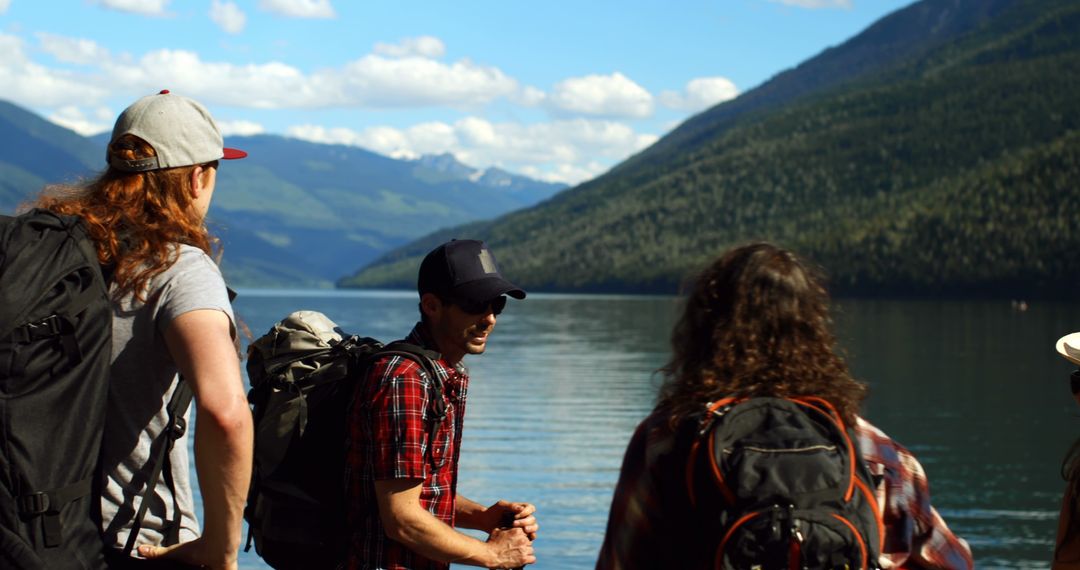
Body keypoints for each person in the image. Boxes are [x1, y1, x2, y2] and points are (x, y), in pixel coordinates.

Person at [595, 242, 973, 569]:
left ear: (704, 329)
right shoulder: (878, 455)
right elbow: (953, 563)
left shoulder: (665, 441)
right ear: (813, 331)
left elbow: (619, 563)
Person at [35, 90, 254, 569]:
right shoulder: (177, 269)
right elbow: (225, 412)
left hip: (33, 532)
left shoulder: (49, 259)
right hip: (140, 542)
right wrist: (221, 547)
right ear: (197, 177)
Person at [345, 239, 539, 569]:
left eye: (497, 304)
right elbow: (401, 519)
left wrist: (482, 517)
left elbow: (415, 493)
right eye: (476, 303)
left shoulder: (440, 374)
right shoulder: (404, 378)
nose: (490, 318)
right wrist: (492, 554)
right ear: (432, 306)